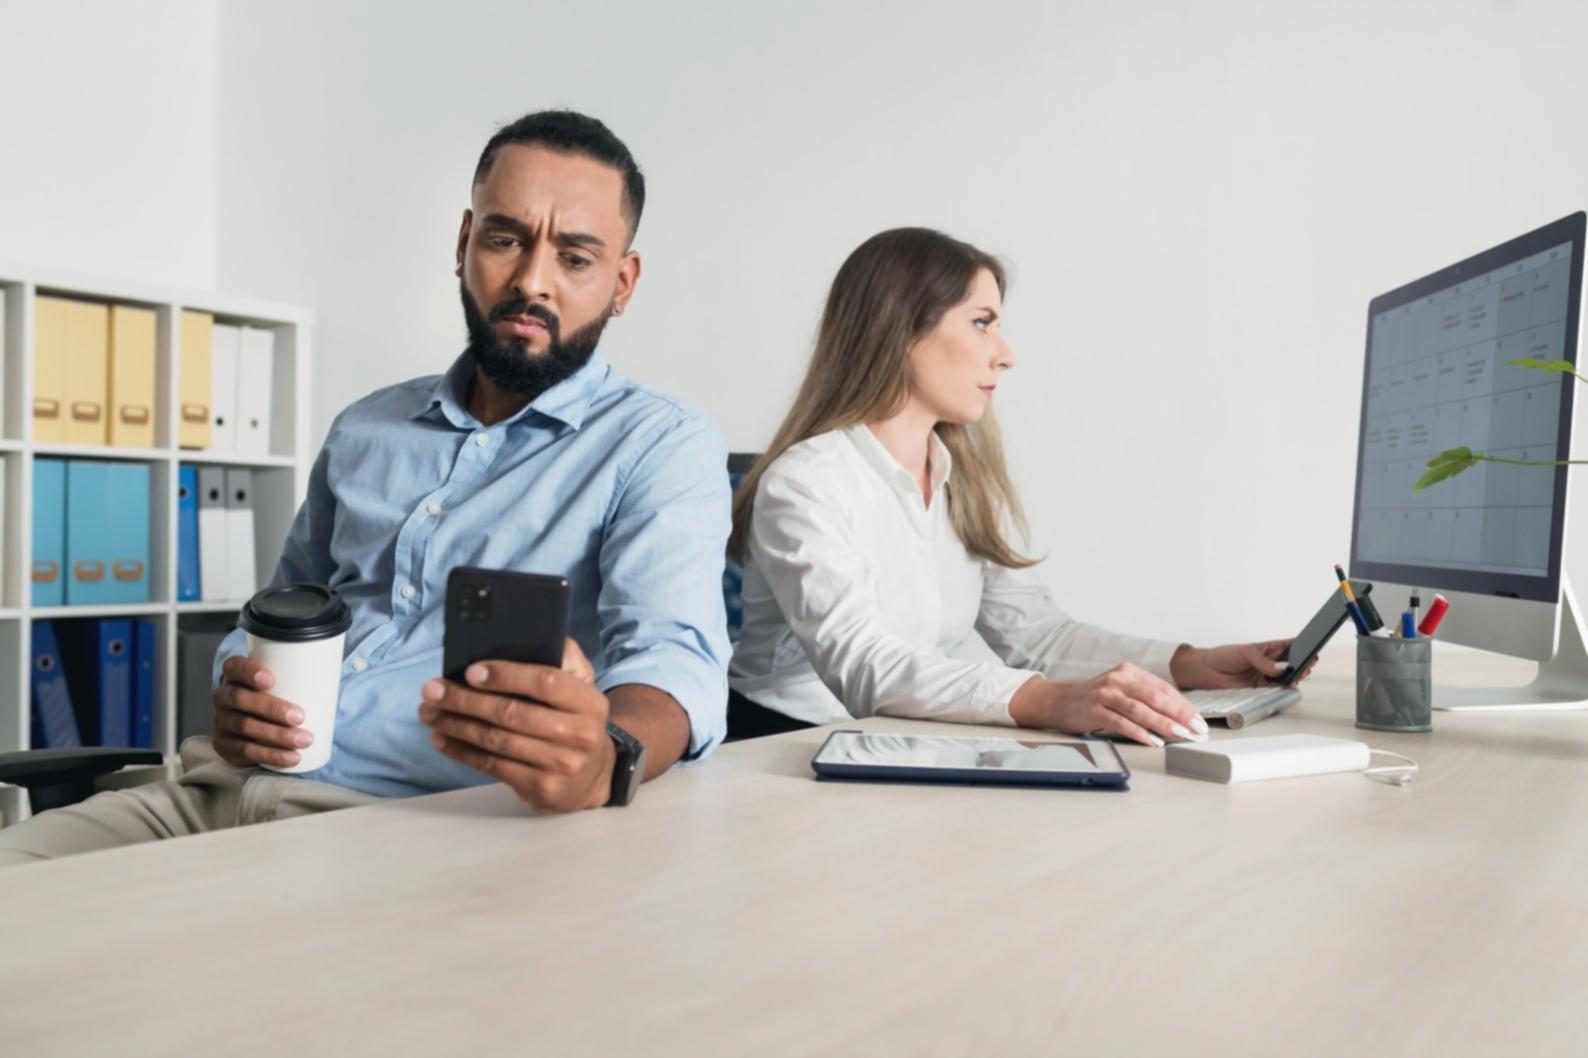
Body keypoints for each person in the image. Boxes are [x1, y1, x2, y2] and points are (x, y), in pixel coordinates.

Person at [0, 110, 731, 867]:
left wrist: (606, 755)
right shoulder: (367, 427)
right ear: (463, 243)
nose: (531, 281)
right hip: (208, 792)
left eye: (574, 258)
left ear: (622, 283)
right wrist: (240, 687)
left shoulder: (660, 445)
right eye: (505, 240)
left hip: (405, 830)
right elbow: (280, 608)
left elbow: (674, 661)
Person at [726, 227, 1309, 744]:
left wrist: (1193, 665)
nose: (1005, 355)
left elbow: (1038, 637)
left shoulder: (965, 479)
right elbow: (864, 666)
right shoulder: (805, 483)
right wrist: (1052, 701)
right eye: (982, 323)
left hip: (904, 738)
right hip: (784, 749)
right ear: (901, 329)